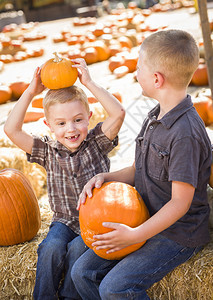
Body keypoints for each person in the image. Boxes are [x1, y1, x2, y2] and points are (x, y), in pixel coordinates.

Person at [71, 29, 212, 299]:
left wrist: (134, 235)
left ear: (156, 79)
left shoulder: (185, 134)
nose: (135, 73)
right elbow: (138, 170)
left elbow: (179, 204)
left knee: (115, 288)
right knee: (81, 272)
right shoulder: (154, 116)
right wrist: (106, 177)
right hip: (145, 219)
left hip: (178, 234)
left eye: (138, 67)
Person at [4, 58, 125, 300]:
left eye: (78, 120)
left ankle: (70, 297)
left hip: (94, 221)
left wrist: (88, 82)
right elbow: (11, 130)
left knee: (77, 250)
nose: (71, 129)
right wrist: (30, 92)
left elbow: (118, 112)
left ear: (89, 117)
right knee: (50, 248)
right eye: (61, 123)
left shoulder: (96, 142)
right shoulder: (46, 150)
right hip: (63, 221)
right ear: (48, 125)